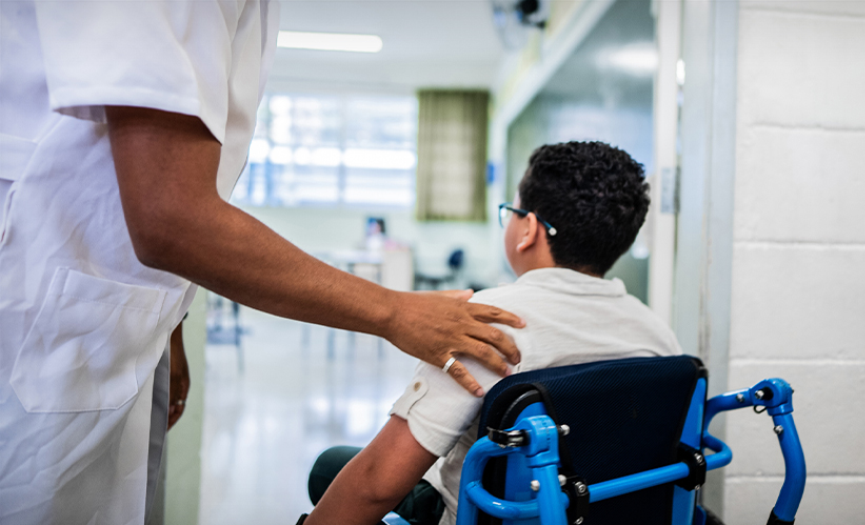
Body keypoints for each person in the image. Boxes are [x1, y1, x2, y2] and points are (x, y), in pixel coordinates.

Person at [0, 3, 523, 524]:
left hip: (101, 310)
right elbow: (169, 215)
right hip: (39, 312)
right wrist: (394, 311)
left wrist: (169, 328)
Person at [302, 141, 684, 525]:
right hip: (599, 511)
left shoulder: (488, 320)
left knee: (328, 466)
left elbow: (377, 485)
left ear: (528, 229)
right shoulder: (657, 333)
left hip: (482, 515)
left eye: (511, 212)